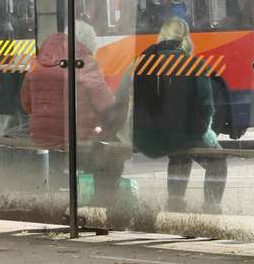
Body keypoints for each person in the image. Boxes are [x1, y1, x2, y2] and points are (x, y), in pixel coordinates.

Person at [20, 22, 128, 203]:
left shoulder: (38, 63)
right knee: (113, 158)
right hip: (74, 140)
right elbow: (107, 107)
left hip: (43, 137)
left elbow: (25, 104)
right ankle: (103, 207)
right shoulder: (85, 64)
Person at [132, 16, 227, 212]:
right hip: (187, 134)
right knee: (218, 161)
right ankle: (211, 206)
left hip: (152, 136)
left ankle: (175, 204)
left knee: (178, 155)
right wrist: (207, 132)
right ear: (186, 38)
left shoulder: (145, 62)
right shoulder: (194, 65)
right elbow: (206, 106)